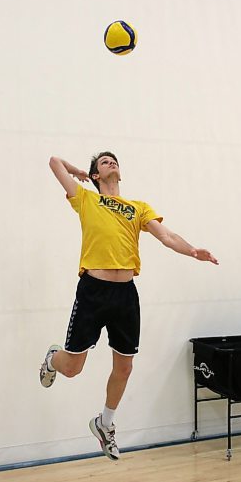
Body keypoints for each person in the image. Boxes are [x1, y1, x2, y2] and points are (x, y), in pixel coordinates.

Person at [40, 151, 218, 461]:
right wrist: (80, 171)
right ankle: (53, 359)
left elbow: (167, 235)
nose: (111, 163)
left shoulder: (137, 208)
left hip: (125, 295)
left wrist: (192, 251)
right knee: (73, 368)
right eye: (104, 162)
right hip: (93, 292)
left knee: (125, 366)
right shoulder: (85, 199)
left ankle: (104, 423)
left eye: (114, 161)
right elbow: (55, 162)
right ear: (96, 175)